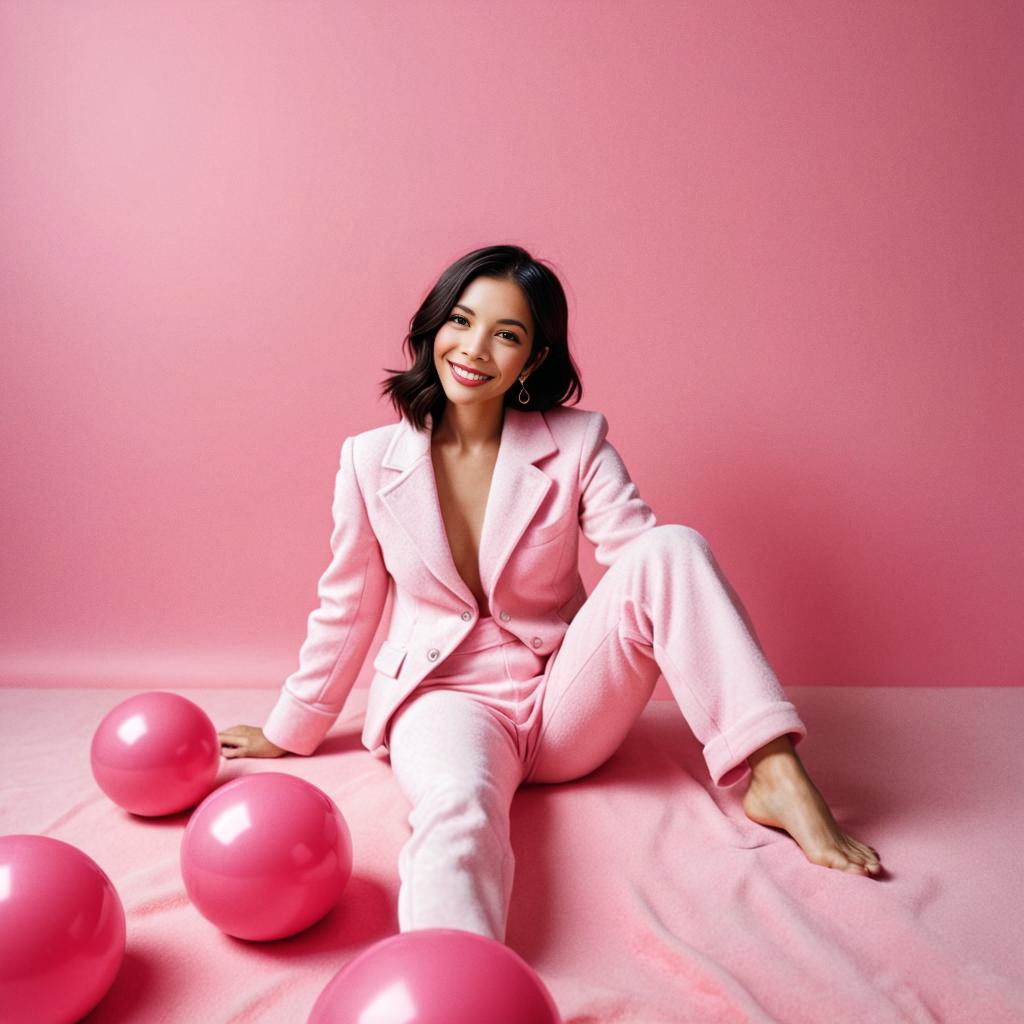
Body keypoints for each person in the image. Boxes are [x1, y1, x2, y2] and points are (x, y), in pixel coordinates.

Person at [219, 244, 882, 943]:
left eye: (506, 334)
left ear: (533, 359)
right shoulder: (367, 460)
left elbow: (643, 566)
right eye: (461, 321)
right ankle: (456, 975)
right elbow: (347, 603)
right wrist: (289, 729)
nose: (474, 349)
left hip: (564, 700)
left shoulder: (579, 440)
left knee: (672, 547)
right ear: (433, 327)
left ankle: (776, 774)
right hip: (442, 701)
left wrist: (654, 598)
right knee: (459, 806)